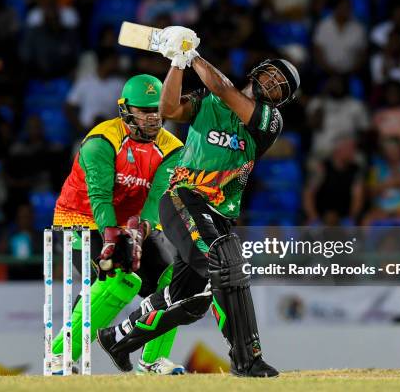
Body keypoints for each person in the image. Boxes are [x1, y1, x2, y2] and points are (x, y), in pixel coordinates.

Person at [97, 26, 300, 377]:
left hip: (219, 214)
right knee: (225, 266)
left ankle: (117, 338)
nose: (274, 84)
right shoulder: (207, 102)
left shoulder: (269, 121)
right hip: (184, 198)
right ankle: (246, 360)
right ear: (258, 70)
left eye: (283, 87)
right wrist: (176, 63)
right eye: (273, 75)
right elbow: (169, 109)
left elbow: (224, 88)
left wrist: (191, 55)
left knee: (193, 300)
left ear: (282, 100)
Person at [50, 74, 185, 375]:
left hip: (133, 223)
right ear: (126, 110)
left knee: (176, 282)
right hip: (80, 220)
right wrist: (112, 237)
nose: (153, 118)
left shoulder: (173, 148)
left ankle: (152, 362)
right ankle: (59, 356)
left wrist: (140, 230)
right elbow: (98, 197)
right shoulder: (101, 141)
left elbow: (156, 200)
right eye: (145, 111)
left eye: (158, 110)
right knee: (120, 280)